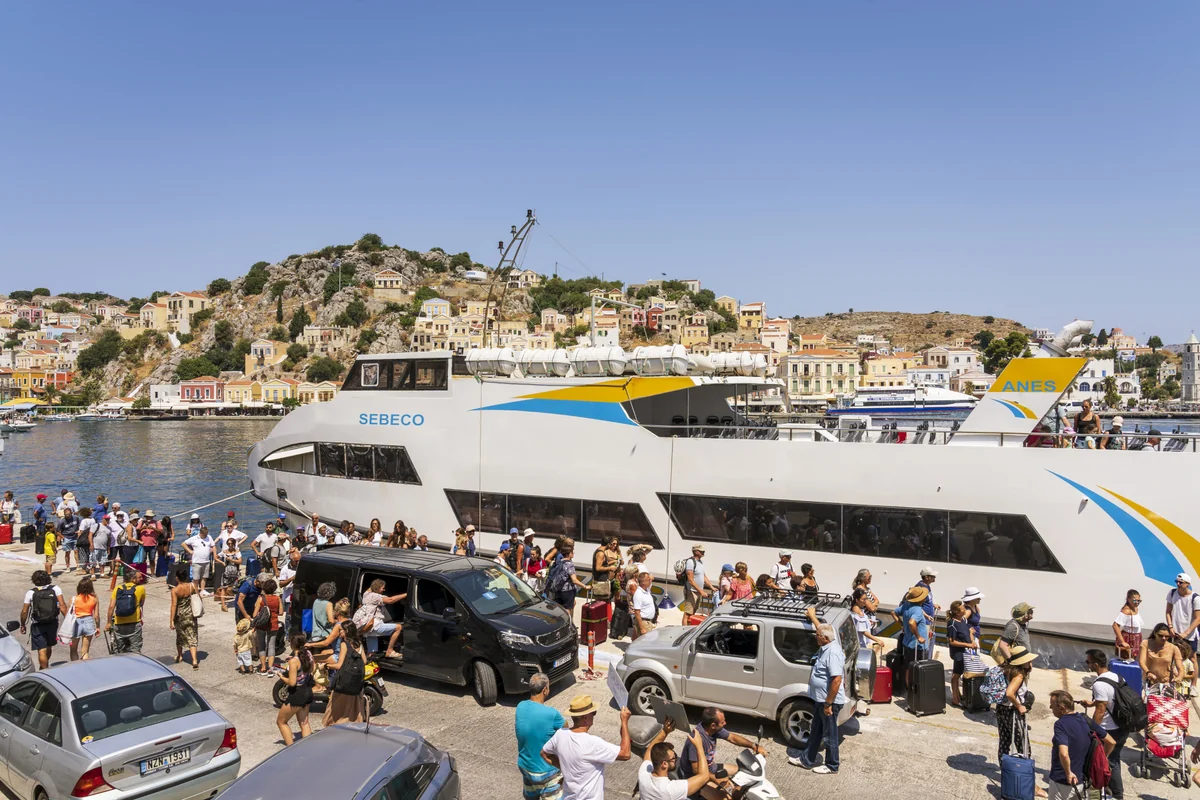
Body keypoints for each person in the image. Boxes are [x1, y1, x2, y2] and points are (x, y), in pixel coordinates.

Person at [540, 696, 632, 800]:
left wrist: (566, 770)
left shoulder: (560, 734)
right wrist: (624, 721)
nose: (594, 715)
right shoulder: (593, 743)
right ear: (585, 717)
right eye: (593, 713)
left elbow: (544, 754)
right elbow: (625, 754)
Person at [789, 622, 846, 774]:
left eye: (818, 635)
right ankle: (807, 760)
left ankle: (832, 765)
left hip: (829, 702)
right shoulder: (826, 647)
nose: (816, 637)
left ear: (825, 638)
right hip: (821, 699)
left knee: (829, 734)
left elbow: (836, 680)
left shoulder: (832, 653)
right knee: (816, 731)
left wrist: (828, 703)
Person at [681, 706, 767, 793]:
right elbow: (696, 770)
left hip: (711, 767)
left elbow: (732, 737)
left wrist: (753, 746)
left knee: (744, 772)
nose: (725, 723)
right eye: (722, 722)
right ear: (713, 725)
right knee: (728, 794)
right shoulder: (696, 739)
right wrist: (716, 779)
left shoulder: (713, 730)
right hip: (696, 777)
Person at [1047, 690, 1115, 800]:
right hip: (1083, 782)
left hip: (1062, 781)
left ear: (1062, 708)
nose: (1050, 707)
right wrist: (1104, 757)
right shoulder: (1085, 719)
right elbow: (1111, 741)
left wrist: (1068, 773)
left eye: (1052, 705)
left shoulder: (1060, 724)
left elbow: (1064, 754)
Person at [1079, 649, 1129, 800]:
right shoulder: (1116, 676)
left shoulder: (1099, 684)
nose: (1087, 665)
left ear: (1095, 664)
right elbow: (1110, 699)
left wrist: (1092, 730)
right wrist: (1092, 702)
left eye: (1088, 662)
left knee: (1107, 761)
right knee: (1114, 759)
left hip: (1110, 729)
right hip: (1123, 726)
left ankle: (1117, 795)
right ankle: (1109, 789)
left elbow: (1101, 711)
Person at [515, 672, 566, 800]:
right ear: (544, 690)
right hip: (546, 772)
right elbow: (566, 728)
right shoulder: (552, 714)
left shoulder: (520, 706)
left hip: (526, 767)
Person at [995, 647, 1040, 788]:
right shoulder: (1018, 675)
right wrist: (1019, 706)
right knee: (1024, 747)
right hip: (1012, 712)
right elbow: (1009, 693)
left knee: (1004, 743)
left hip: (1001, 709)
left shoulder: (1006, 669)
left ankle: (1006, 775)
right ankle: (1027, 782)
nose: (1031, 662)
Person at [639, 717, 711, 800]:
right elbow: (704, 776)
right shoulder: (671, 789)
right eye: (673, 758)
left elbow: (649, 750)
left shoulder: (644, 774)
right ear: (664, 764)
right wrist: (699, 746)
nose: (676, 760)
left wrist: (665, 731)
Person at [20, 570, 67, 669]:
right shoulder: (56, 589)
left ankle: (44, 670)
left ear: (34, 580)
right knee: (49, 646)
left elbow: (24, 611)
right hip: (52, 622)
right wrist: (68, 621)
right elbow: (62, 606)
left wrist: (23, 624)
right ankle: (44, 667)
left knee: (42, 649)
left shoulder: (31, 593)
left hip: (37, 624)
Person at [324, 619, 366, 725]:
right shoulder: (359, 644)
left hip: (344, 681)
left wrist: (326, 665)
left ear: (346, 631)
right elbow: (364, 661)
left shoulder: (344, 644)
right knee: (353, 707)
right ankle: (354, 724)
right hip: (356, 682)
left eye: (341, 630)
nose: (339, 632)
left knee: (336, 706)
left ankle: (335, 725)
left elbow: (339, 665)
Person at [277, 633, 314, 745]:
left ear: (293, 645)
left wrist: (281, 677)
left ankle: (291, 748)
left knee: (281, 722)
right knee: (304, 723)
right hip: (308, 691)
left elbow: (292, 682)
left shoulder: (294, 662)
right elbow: (312, 669)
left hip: (297, 694)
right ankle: (307, 747)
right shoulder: (308, 654)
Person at [357, 578, 407, 658]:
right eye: (383, 588)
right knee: (398, 627)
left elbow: (371, 587)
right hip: (375, 626)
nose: (384, 590)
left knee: (371, 654)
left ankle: (370, 660)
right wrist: (407, 594)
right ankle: (390, 651)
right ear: (377, 588)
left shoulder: (366, 594)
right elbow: (391, 600)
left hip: (368, 626)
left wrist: (376, 584)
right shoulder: (375, 596)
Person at [106, 570, 147, 654]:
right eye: (139, 577)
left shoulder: (118, 588)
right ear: (133, 579)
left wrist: (109, 623)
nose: (141, 579)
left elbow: (111, 607)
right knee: (135, 650)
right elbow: (141, 604)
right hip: (134, 623)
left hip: (119, 623)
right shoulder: (141, 589)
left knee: (119, 651)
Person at [947, 600, 978, 707]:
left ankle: (962, 696)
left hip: (967, 653)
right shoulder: (952, 624)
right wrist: (968, 645)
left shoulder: (963, 621)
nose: (965, 609)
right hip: (959, 654)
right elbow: (952, 641)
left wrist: (971, 638)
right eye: (962, 609)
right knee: (956, 675)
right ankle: (955, 698)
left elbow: (969, 634)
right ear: (957, 612)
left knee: (964, 674)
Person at [1166, 572, 1200, 668]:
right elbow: (1168, 611)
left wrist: (1186, 633)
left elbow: (1198, 619)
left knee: (1192, 659)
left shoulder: (1195, 598)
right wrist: (1170, 627)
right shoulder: (1172, 593)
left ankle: (1193, 678)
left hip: (1189, 635)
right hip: (1175, 632)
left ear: (1187, 584)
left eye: (1181, 582)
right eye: (1177, 581)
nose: (1178, 584)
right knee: (1172, 656)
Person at [170, 566, 201, 669]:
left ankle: (180, 655)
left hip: (180, 616)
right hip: (191, 615)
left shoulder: (175, 590)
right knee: (192, 636)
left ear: (177, 578)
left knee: (180, 636)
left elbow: (174, 605)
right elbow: (199, 598)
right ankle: (194, 660)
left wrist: (171, 620)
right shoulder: (192, 586)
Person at [253, 579, 284, 674]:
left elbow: (254, 615)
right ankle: (270, 668)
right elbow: (281, 612)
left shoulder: (260, 598)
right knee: (271, 646)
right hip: (273, 624)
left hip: (262, 625)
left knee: (261, 645)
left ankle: (263, 667)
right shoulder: (277, 598)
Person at [546, 544, 588, 615]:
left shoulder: (559, 562)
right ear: (569, 554)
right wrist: (585, 586)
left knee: (562, 607)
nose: (573, 553)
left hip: (559, 589)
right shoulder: (569, 564)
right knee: (567, 610)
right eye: (572, 552)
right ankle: (567, 621)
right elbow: (574, 580)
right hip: (568, 591)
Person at [68, 577, 99, 661]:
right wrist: (98, 627)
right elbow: (96, 616)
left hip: (76, 622)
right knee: (85, 651)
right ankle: (85, 666)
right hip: (88, 621)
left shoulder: (73, 599)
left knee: (73, 650)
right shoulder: (94, 599)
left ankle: (75, 666)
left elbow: (69, 615)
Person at [182, 525, 216, 596]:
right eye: (204, 534)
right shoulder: (194, 538)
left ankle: (202, 590)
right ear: (201, 533)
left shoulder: (209, 537)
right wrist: (190, 551)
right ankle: (196, 590)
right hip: (197, 561)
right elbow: (183, 544)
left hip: (206, 561)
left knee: (204, 576)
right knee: (196, 577)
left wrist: (214, 554)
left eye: (206, 534)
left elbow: (213, 546)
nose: (206, 535)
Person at [681, 544, 712, 615]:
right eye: (701, 551)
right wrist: (701, 591)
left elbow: (703, 576)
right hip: (691, 591)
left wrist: (711, 587)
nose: (703, 552)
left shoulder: (700, 562)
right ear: (696, 552)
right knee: (687, 614)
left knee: (693, 612)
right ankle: (685, 623)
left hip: (698, 591)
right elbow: (690, 580)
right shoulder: (690, 562)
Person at [1112, 589, 1142, 660]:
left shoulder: (1135, 609)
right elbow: (1115, 625)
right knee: (1126, 659)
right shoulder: (1126, 610)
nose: (1137, 603)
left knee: (1133, 659)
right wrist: (1122, 642)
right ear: (1128, 599)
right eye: (1135, 601)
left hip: (1136, 638)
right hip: (1129, 638)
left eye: (1139, 601)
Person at [214, 538, 242, 612]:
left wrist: (232, 560)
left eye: (231, 544)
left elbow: (240, 561)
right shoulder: (224, 552)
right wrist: (222, 562)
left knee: (237, 587)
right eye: (228, 544)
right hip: (226, 573)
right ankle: (223, 604)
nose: (230, 545)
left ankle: (239, 602)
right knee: (224, 588)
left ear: (234, 544)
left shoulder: (237, 552)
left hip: (235, 573)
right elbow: (216, 557)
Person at [631, 571, 657, 639]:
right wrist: (642, 628)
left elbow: (651, 581)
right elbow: (637, 612)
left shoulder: (647, 591)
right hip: (644, 622)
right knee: (645, 642)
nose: (650, 581)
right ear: (643, 582)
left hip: (649, 622)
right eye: (648, 580)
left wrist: (650, 578)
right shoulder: (638, 594)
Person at [138, 510, 161, 575]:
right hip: (143, 544)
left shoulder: (157, 522)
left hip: (153, 544)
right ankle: (143, 573)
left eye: (150, 516)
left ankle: (152, 573)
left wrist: (153, 528)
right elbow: (137, 530)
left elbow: (160, 531)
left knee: (152, 559)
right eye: (147, 516)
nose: (148, 518)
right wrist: (143, 528)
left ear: (152, 517)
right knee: (143, 560)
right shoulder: (142, 522)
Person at [76, 507, 96, 577]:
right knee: (90, 554)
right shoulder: (93, 520)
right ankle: (90, 568)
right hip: (91, 538)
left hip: (83, 540)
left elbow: (81, 531)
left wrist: (78, 537)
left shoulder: (84, 521)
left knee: (82, 555)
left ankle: (84, 569)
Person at [58, 505, 80, 572]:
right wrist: (62, 537)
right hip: (67, 537)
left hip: (75, 537)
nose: (67, 516)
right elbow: (58, 531)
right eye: (66, 515)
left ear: (71, 513)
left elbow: (79, 525)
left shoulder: (76, 518)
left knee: (76, 551)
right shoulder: (62, 521)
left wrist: (79, 532)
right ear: (64, 514)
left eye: (69, 514)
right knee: (67, 553)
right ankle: (68, 567)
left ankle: (78, 565)